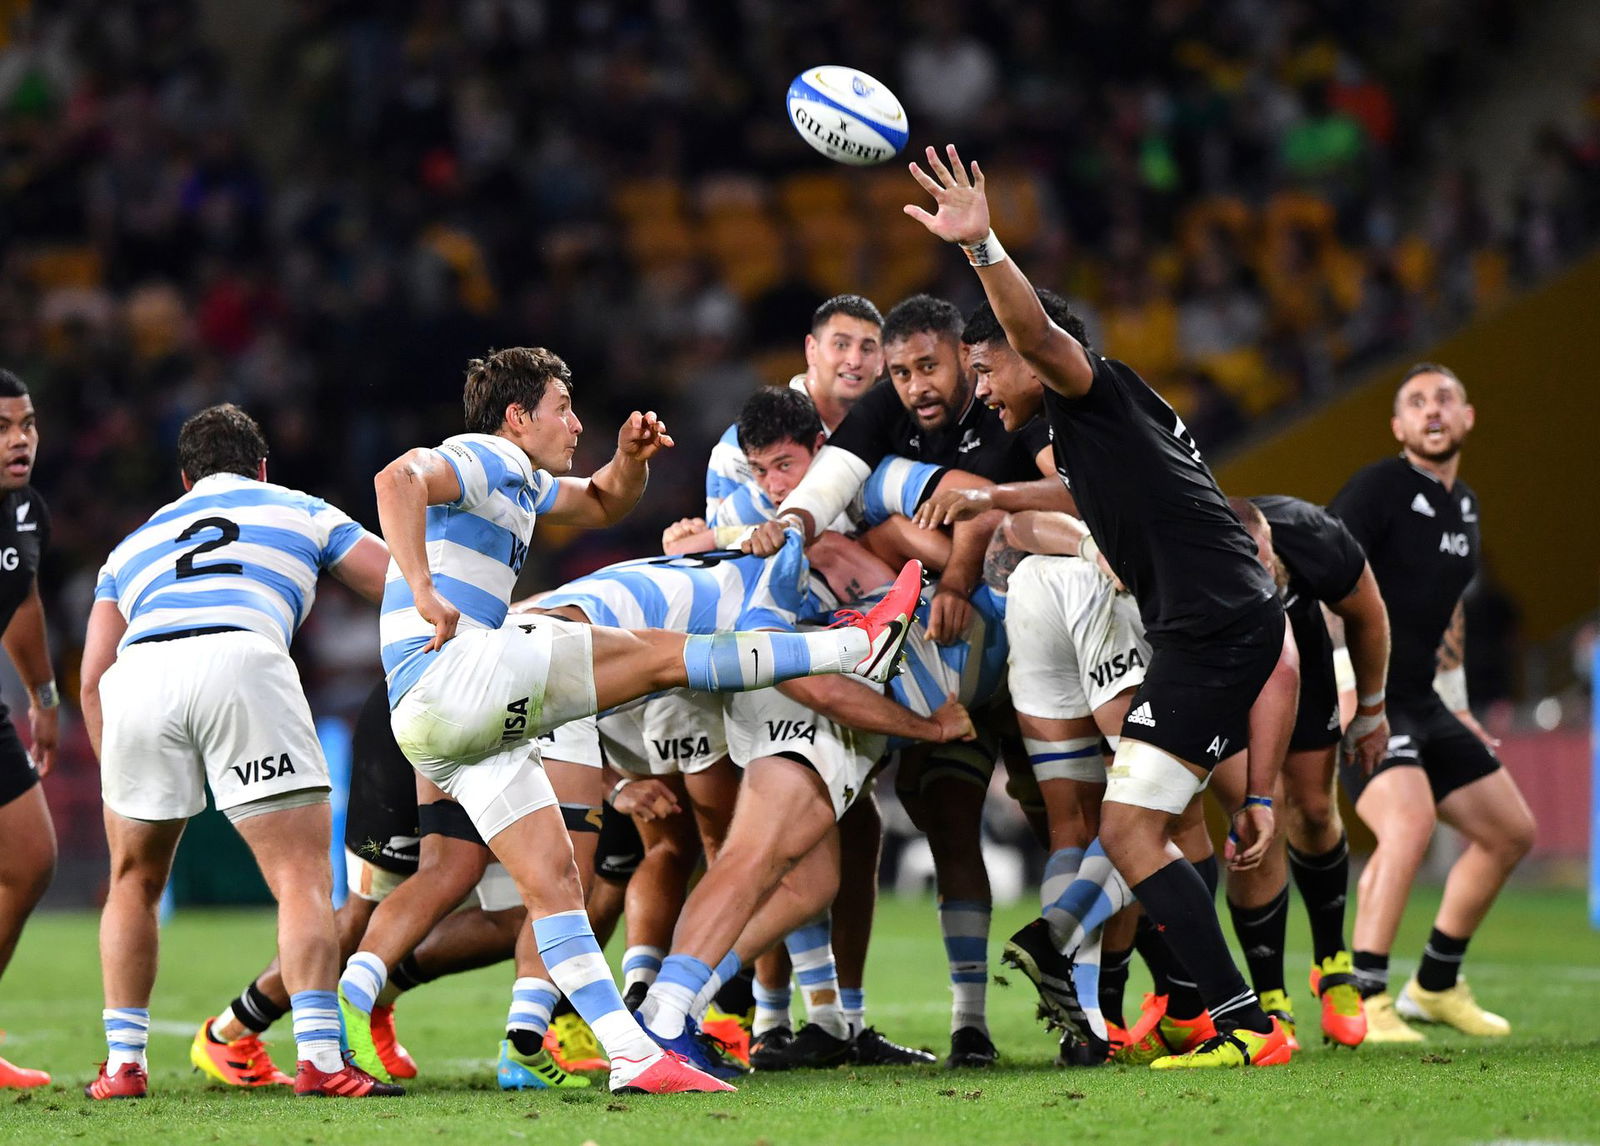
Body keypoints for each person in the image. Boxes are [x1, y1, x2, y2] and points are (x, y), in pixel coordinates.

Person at [347, 346, 920, 1096]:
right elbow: (399, 477)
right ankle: (854, 642)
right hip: (460, 671)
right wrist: (421, 587)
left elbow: (602, 502)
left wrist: (629, 459)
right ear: (519, 418)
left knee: (555, 885)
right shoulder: (489, 454)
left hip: (438, 718)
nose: (575, 423)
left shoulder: (518, 480)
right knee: (662, 658)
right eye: (562, 409)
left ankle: (626, 1055)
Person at [905, 145, 1298, 1070]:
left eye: (985, 367)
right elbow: (1085, 496)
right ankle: (1220, 1014)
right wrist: (1002, 501)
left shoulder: (1090, 389)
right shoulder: (1102, 432)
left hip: (1212, 630)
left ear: (1038, 361)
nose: (984, 384)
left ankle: (1240, 1024)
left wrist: (982, 246)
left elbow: (1038, 339)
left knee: (1130, 827)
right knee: (1144, 825)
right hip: (1211, 625)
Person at [79, 403, 399, 1099]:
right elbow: (397, 583)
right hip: (243, 658)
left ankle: (122, 1065)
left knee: (133, 878)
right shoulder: (300, 507)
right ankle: (318, 1057)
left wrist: (116, 769)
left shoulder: (132, 545)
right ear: (261, 466)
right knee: (299, 876)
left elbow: (91, 673)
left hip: (138, 676)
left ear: (186, 480)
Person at [1329, 363, 1535, 1041]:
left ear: (1468, 416)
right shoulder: (1381, 487)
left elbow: (1448, 612)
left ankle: (1435, 986)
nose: (1433, 410)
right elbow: (1325, 575)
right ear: (1399, 427)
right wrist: (1348, 688)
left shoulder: (1465, 505)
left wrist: (1457, 698)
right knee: (1410, 823)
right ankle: (1364, 1000)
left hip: (1423, 699)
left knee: (1510, 832)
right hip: (1366, 697)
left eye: (1446, 397)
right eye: (1417, 403)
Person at [1207, 496, 1390, 1049]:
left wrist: (1374, 709)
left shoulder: (1311, 535)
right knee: (1257, 814)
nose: (1255, 571)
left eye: (1260, 559)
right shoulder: (1194, 557)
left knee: (1313, 807)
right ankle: (1270, 1002)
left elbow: (1368, 612)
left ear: (1271, 544)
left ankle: (1334, 966)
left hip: (1303, 658)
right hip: (1224, 662)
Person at [0, 370, 60, 1090]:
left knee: (31, 856)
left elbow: (21, 599)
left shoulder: (26, 513)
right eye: (3, 428)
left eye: (27, 424)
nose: (20, 441)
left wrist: (43, 695)